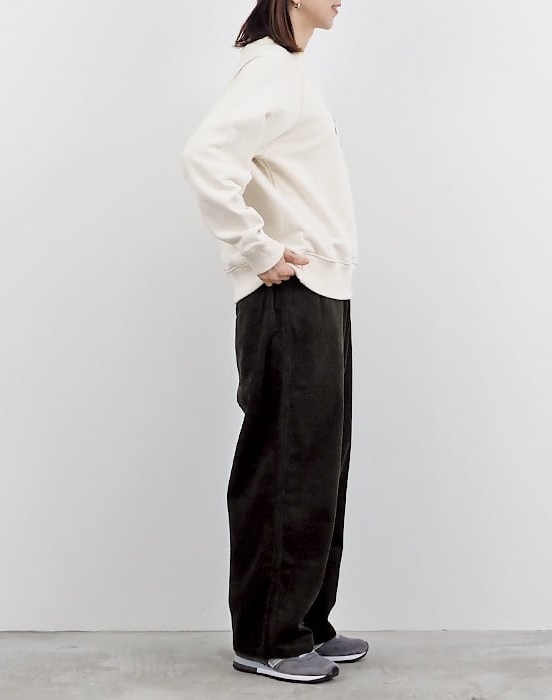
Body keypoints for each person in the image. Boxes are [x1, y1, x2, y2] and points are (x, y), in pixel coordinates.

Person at [180, 0, 367, 685]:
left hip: (320, 289)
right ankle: (268, 638)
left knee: (319, 466)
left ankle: (305, 623)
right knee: (286, 464)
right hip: (290, 294)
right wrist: (255, 249)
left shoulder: (291, 70)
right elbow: (205, 156)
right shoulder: (270, 69)